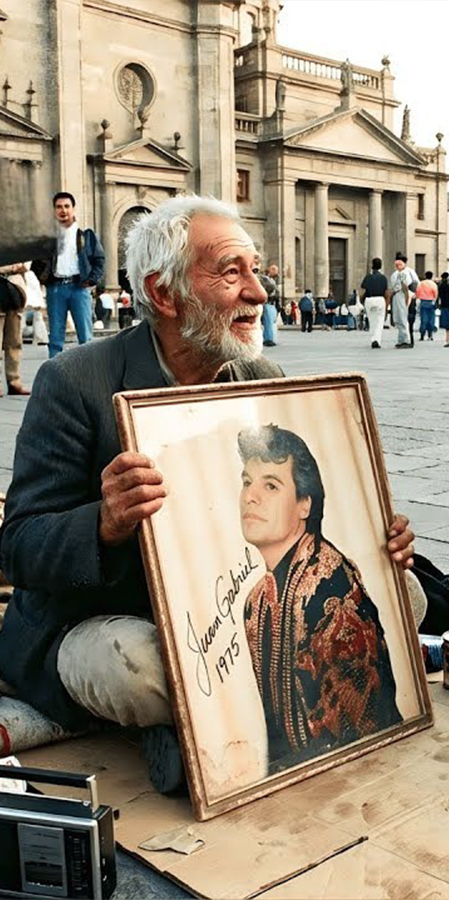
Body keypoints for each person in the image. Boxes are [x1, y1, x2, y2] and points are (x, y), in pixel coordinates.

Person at [0, 195, 417, 792]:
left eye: (255, 269)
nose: (259, 293)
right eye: (230, 272)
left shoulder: (260, 378)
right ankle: (193, 722)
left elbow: (300, 507)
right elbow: (17, 545)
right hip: (113, 615)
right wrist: (105, 521)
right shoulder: (75, 382)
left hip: (230, 613)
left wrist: (376, 533)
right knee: (135, 668)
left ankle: (206, 719)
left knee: (404, 597)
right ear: (165, 294)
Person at [238, 424, 402, 771]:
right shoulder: (255, 602)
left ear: (304, 504)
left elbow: (360, 732)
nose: (250, 496)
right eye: (246, 481)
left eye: (270, 484)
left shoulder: (330, 589)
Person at [36, 192, 105, 358]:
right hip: (55, 290)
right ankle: (54, 378)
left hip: (79, 289)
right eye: (59, 207)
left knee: (86, 338)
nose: (63, 210)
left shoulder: (86, 236)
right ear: (54, 210)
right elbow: (36, 262)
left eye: (67, 206)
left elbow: (99, 259)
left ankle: (88, 376)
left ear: (73, 209)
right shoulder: (47, 239)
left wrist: (91, 280)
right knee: (55, 339)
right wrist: (44, 279)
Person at [0, 264, 32, 396]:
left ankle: (14, 381)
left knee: (14, 341)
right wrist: (11, 268)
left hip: (14, 289)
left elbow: (25, 265)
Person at [388, 252, 415, 348]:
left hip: (401, 295)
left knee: (403, 317)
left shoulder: (404, 274)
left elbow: (405, 288)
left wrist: (407, 300)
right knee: (398, 318)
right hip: (396, 295)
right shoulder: (395, 274)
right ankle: (401, 339)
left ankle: (406, 340)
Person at [360, 258, 388, 348]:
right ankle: (377, 339)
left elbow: (363, 289)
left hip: (369, 300)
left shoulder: (368, 277)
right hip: (380, 299)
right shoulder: (383, 278)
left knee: (372, 321)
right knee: (379, 321)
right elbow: (386, 291)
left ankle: (373, 338)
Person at [259, 262, 280, 348]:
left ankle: (270, 338)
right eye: (274, 269)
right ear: (269, 269)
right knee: (268, 322)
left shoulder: (273, 279)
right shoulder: (264, 278)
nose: (276, 271)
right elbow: (271, 289)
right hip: (267, 303)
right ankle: (268, 339)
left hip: (271, 303)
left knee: (271, 322)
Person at [416, 271, 438, 341]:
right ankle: (430, 335)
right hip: (431, 302)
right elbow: (436, 294)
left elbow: (417, 292)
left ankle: (422, 335)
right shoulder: (433, 284)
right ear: (431, 276)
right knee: (431, 319)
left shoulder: (421, 283)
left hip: (423, 302)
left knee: (423, 319)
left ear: (425, 276)